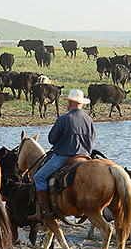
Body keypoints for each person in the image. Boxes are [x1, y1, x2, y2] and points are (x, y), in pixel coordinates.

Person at [28, 87, 96, 221]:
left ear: (70, 103)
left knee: (39, 177)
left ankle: (45, 211)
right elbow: (93, 138)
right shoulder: (89, 120)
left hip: (63, 158)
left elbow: (51, 139)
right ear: (81, 104)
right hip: (85, 157)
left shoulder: (64, 119)